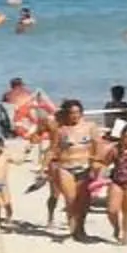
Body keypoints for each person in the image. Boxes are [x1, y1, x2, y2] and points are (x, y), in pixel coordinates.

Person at [49, 102, 99, 240]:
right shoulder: (61, 130)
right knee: (71, 200)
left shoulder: (90, 127)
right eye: (71, 113)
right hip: (66, 167)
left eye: (77, 112)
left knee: (84, 201)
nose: (74, 115)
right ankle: (73, 228)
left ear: (81, 113)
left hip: (84, 166)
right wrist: (45, 168)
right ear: (67, 114)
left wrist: (96, 162)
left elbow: (97, 145)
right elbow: (53, 149)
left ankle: (80, 227)